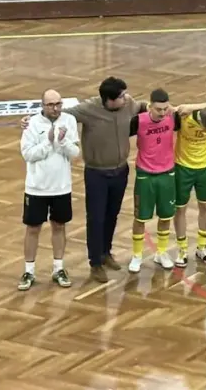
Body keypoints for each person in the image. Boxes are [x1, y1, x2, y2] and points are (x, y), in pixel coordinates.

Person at [59, 77, 146, 283]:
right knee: (96, 218)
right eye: (122, 96)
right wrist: (33, 120)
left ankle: (106, 252)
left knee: (112, 214)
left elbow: (144, 107)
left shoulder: (129, 104)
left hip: (120, 171)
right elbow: (61, 115)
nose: (126, 98)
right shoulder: (88, 109)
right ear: (109, 99)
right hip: (97, 173)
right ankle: (95, 262)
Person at [18, 89, 80, 290]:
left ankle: (58, 268)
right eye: (51, 104)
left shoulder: (69, 120)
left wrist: (62, 142)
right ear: (42, 106)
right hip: (36, 188)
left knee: (59, 226)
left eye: (59, 104)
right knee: (33, 228)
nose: (56, 108)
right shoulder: (31, 124)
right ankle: (29, 271)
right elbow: (28, 154)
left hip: (61, 186)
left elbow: (75, 152)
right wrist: (48, 141)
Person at [127, 88, 179, 273]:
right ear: (149, 106)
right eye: (158, 109)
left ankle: (161, 252)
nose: (163, 113)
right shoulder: (138, 121)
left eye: (165, 109)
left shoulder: (174, 117)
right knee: (140, 217)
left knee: (166, 216)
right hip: (145, 175)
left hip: (167, 174)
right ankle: (137, 255)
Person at [170, 104, 206, 267]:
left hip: (205, 170)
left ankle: (202, 247)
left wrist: (194, 105)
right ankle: (182, 249)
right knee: (180, 208)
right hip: (183, 168)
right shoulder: (183, 117)